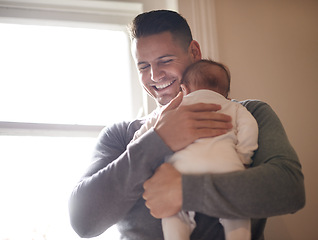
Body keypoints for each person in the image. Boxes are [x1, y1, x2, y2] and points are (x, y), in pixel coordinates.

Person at [68, 10, 305, 240]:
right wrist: (158, 140)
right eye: (143, 66)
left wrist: (185, 191)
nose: (154, 75)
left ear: (194, 52)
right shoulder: (121, 135)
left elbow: (290, 189)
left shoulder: (249, 114)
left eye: (166, 60)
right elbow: (83, 222)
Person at [132, 59, 259, 240]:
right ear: (226, 93)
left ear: (184, 89)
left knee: (174, 213)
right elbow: (249, 128)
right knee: (237, 213)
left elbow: (142, 137)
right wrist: (243, 157)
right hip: (228, 168)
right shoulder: (235, 107)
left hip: (180, 171)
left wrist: (138, 145)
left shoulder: (173, 107)